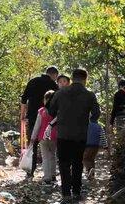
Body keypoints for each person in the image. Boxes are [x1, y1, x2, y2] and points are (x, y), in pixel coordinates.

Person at [48, 68, 100, 203]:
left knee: (64, 163)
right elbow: (96, 114)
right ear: (85, 79)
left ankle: (66, 193)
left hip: (63, 134)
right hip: (80, 134)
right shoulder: (89, 95)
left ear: (72, 77)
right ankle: (76, 191)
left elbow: (51, 111)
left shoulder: (61, 92)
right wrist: (88, 120)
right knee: (77, 163)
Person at [20, 66, 59, 177]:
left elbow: (24, 99)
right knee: (50, 147)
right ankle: (51, 174)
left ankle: (30, 170)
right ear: (54, 75)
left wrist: (22, 116)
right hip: (50, 119)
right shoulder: (54, 86)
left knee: (33, 143)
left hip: (33, 116)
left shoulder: (33, 81)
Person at [30, 90, 57, 184]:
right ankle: (53, 175)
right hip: (54, 136)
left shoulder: (42, 111)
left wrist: (33, 137)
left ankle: (47, 177)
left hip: (43, 136)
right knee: (53, 155)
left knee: (45, 157)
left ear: (45, 100)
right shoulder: (57, 111)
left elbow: (37, 125)